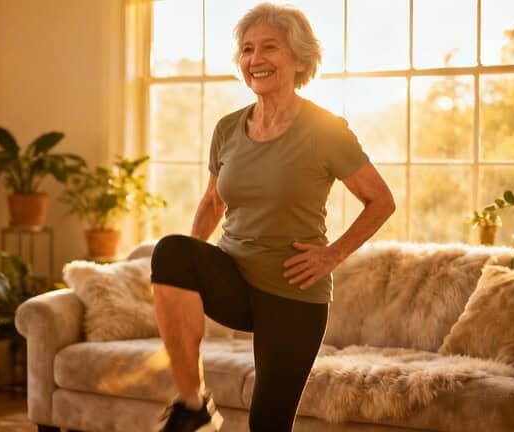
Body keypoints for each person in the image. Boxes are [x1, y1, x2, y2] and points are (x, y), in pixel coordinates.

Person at [150, 3, 395, 431]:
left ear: (299, 58)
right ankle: (193, 406)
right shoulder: (228, 128)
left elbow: (380, 200)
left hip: (292, 293)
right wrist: (192, 260)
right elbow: (212, 203)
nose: (255, 59)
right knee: (172, 252)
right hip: (234, 279)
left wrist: (330, 256)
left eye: (270, 47)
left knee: (268, 423)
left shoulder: (326, 130)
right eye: (247, 49)